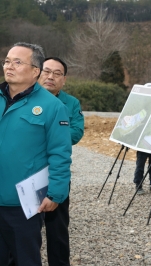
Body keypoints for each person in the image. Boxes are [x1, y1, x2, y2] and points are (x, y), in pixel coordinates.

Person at [0, 42, 72, 265]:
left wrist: (56, 193)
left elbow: (60, 153)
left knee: (25, 258)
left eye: (18, 62)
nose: (9, 66)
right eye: (7, 61)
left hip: (24, 204)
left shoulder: (52, 106)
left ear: (35, 71)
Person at [38, 57, 84, 266]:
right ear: (38, 72)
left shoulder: (71, 103)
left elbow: (76, 132)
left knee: (57, 229)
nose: (51, 77)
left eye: (57, 74)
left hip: (57, 172)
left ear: (64, 79)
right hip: (27, 172)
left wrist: (48, 133)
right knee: (24, 229)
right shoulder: (23, 99)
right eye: (47, 71)